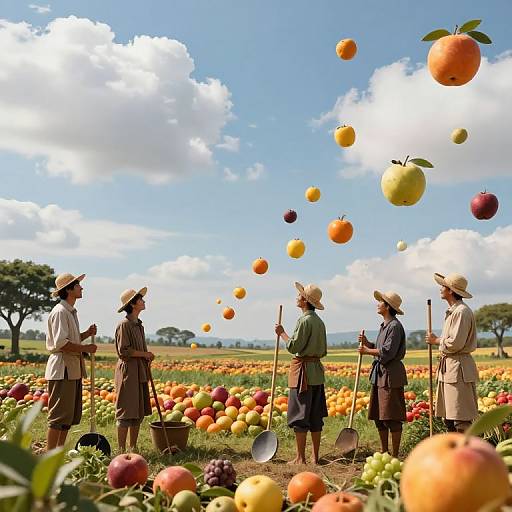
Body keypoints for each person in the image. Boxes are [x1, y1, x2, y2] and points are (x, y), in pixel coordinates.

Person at [275, 282, 328, 465]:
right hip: (317, 374)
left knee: (300, 416)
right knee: (315, 416)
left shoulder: (304, 321)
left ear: (305, 301)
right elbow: (323, 350)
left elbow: (294, 346)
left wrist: (282, 333)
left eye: (300, 295)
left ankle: (300, 458)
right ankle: (315, 457)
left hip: (303, 375)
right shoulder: (319, 322)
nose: (297, 298)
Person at [45, 273, 97, 450]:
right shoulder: (61, 312)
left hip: (71, 369)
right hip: (62, 369)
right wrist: (85, 349)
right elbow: (61, 343)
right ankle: (50, 456)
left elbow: (70, 339)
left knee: (67, 417)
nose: (81, 288)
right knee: (59, 417)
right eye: (77, 285)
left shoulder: (70, 312)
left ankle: (58, 453)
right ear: (68, 289)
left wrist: (86, 335)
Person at [426, 273, 478, 433]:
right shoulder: (452, 311)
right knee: (448, 417)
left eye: (443, 286)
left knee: (460, 418)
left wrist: (436, 341)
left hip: (458, 370)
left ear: (451, 290)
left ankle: (467, 455)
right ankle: (453, 454)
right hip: (449, 369)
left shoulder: (461, 312)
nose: (441, 289)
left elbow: (455, 343)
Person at [358, 291, 407, 457]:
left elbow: (387, 352)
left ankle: (394, 454)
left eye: (380, 302)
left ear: (387, 307)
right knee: (380, 416)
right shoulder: (384, 326)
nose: (377, 304)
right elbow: (380, 347)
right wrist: (368, 344)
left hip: (390, 376)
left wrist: (366, 351)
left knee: (391, 415)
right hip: (380, 376)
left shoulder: (394, 326)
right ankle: (384, 450)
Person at [114, 287, 154, 452]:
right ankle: (122, 449)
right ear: (133, 304)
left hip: (139, 370)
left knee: (137, 411)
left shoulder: (138, 325)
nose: (143, 301)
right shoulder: (124, 325)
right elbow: (124, 351)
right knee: (126, 411)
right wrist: (144, 354)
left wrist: (146, 357)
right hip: (128, 372)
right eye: (140, 299)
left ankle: (133, 447)